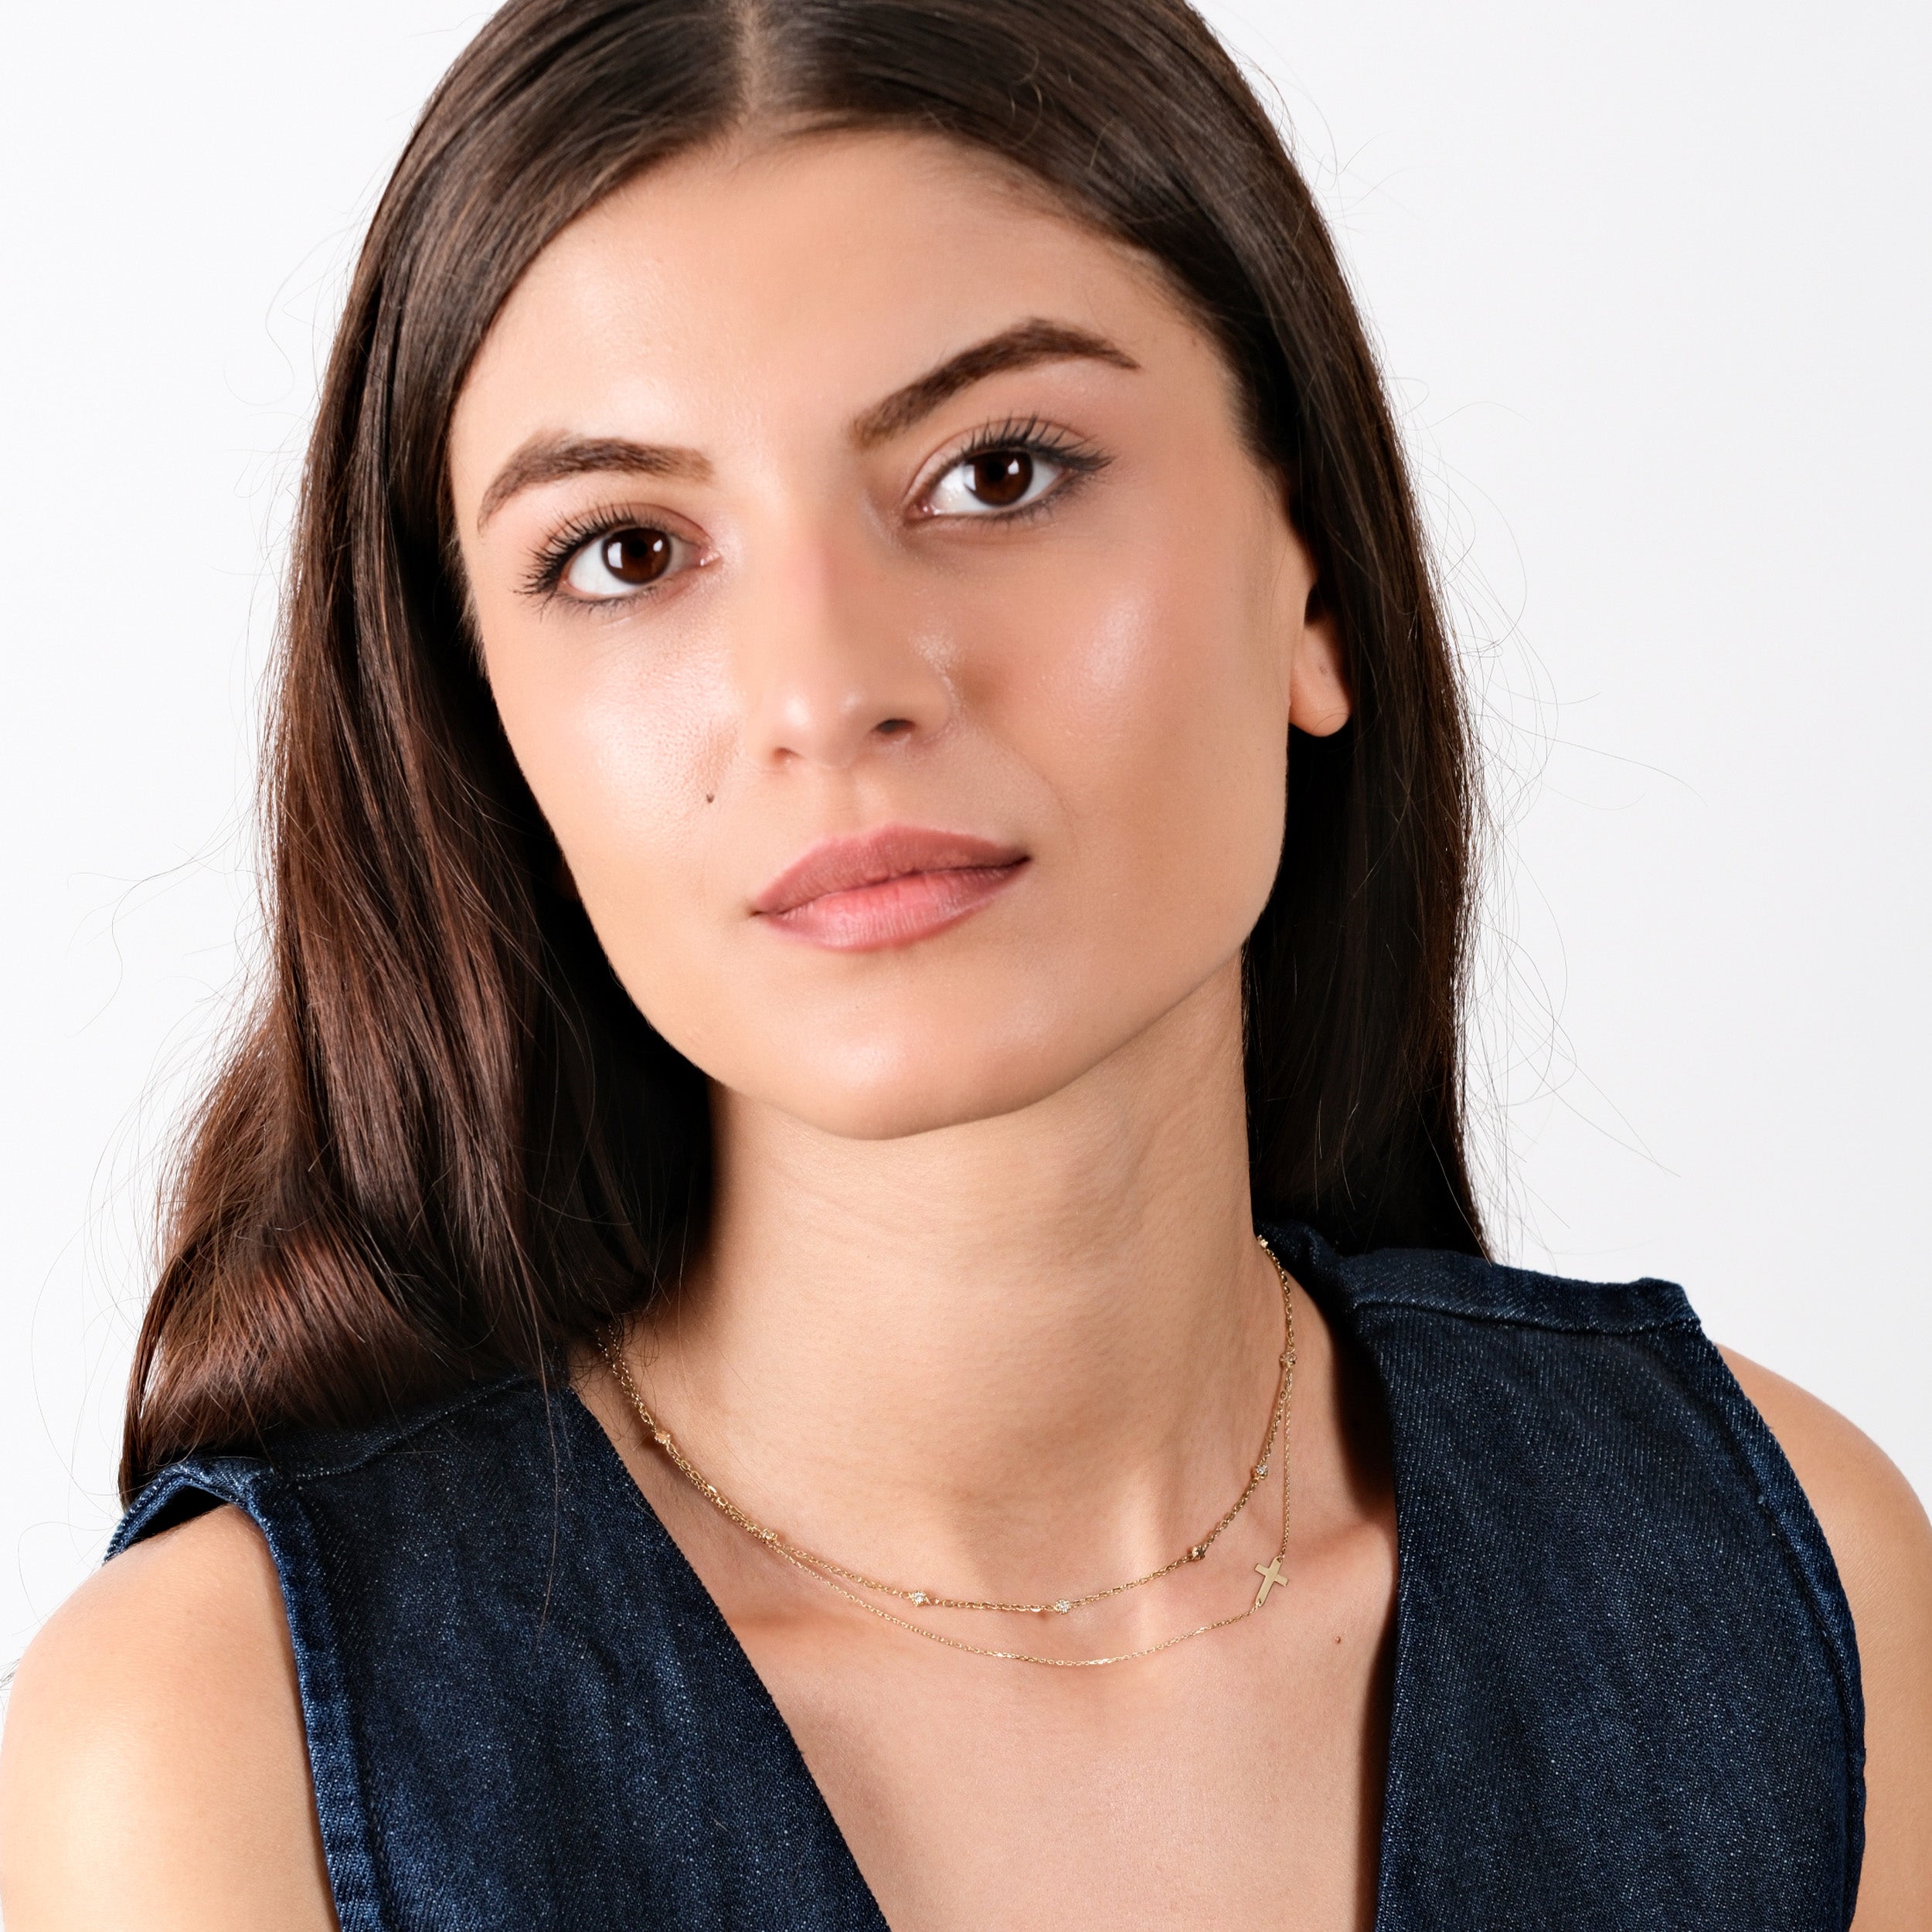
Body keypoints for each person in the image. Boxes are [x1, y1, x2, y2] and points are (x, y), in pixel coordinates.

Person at [2, 0, 1927, 1925]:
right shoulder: (205, 1747)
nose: (828, 689)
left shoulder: (1782, 1579)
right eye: (624, 552)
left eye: (996, 470)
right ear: (478, 725)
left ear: (1312, 578)